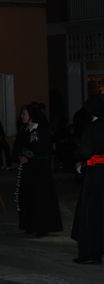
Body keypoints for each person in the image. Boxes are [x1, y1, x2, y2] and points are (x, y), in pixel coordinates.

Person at [12, 104, 62, 237]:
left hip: (40, 171)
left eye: (24, 114)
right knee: (27, 197)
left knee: (40, 198)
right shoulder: (23, 131)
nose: (22, 116)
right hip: (27, 170)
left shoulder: (42, 131)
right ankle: (29, 224)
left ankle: (42, 227)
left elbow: (46, 150)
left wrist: (32, 156)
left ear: (31, 116)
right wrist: (20, 156)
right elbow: (17, 147)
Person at [72, 94, 104, 264]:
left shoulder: (92, 128)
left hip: (95, 174)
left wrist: (80, 162)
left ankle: (92, 253)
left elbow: (84, 151)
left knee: (91, 213)